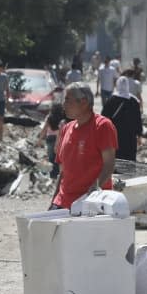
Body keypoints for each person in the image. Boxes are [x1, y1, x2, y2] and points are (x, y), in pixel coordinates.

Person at [51, 82, 118, 210]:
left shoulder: (102, 126)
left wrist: (93, 189)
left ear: (83, 102)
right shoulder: (66, 129)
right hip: (64, 202)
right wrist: (54, 202)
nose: (63, 105)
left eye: (67, 100)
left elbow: (109, 165)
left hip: (91, 204)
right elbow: (63, 171)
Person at [103, 76, 143, 161]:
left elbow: (104, 118)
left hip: (115, 136)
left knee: (117, 158)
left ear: (117, 85)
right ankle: (129, 174)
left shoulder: (111, 100)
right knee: (129, 159)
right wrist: (139, 135)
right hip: (130, 137)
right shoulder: (134, 101)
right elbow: (138, 119)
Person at [36, 103, 66, 178]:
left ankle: (53, 176)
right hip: (60, 139)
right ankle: (59, 175)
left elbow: (44, 129)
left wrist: (39, 140)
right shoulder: (63, 118)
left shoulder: (49, 118)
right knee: (59, 158)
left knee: (51, 158)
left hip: (50, 139)